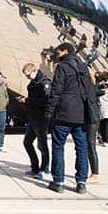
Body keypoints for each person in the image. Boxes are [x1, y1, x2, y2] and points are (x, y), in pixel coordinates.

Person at [44, 42, 90, 194]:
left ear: (65, 51)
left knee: (58, 147)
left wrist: (49, 110)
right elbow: (90, 90)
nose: (56, 57)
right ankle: (81, 182)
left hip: (64, 113)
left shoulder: (62, 67)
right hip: (81, 114)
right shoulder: (83, 67)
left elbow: (56, 90)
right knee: (82, 148)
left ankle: (58, 182)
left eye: (58, 53)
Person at [20, 63, 51, 179]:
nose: (27, 78)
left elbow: (45, 101)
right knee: (27, 142)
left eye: (28, 75)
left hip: (42, 118)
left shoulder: (45, 83)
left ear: (34, 71)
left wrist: (27, 100)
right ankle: (35, 167)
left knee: (42, 144)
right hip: (33, 117)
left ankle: (44, 168)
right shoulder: (32, 84)